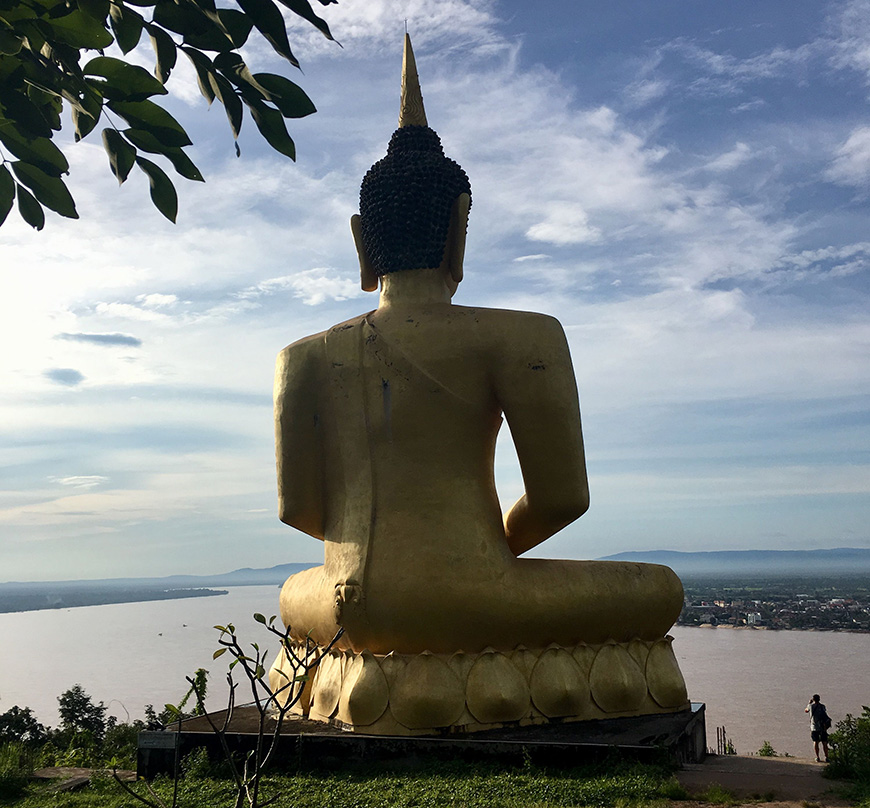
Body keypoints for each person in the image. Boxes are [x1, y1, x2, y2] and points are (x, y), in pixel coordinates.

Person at [273, 35, 684, 658]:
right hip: (475, 596)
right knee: (658, 590)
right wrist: (476, 551)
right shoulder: (522, 336)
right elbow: (562, 497)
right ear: (458, 228)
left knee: (291, 594)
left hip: (343, 603)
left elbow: (300, 509)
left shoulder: (301, 358)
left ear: (362, 243)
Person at [805, 694, 831, 762]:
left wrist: (809, 703)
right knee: (824, 742)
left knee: (815, 742)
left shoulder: (811, 706)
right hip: (823, 727)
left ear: (813, 699)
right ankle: (826, 757)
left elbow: (806, 710)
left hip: (814, 727)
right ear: (819, 699)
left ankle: (817, 757)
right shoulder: (822, 706)